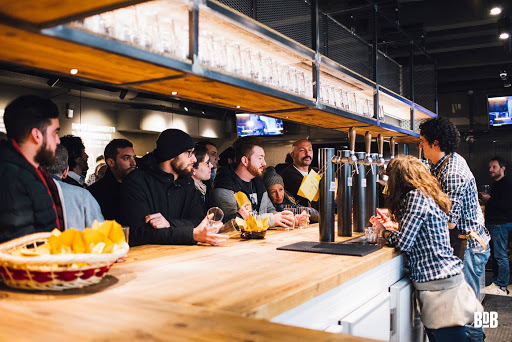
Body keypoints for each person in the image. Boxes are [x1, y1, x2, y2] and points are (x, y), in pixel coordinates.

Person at [372, 156, 482, 342]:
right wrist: (395, 227)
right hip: (446, 281)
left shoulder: (414, 197)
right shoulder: (425, 194)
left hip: (440, 289)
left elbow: (404, 242)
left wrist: (383, 232)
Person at [418, 117, 490, 300]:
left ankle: (474, 331)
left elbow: (449, 222)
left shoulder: (452, 173)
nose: (420, 146)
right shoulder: (442, 164)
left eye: (422, 141)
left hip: (468, 247)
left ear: (435, 143)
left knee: (467, 308)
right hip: (462, 242)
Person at [119, 129, 225, 246]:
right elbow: (139, 232)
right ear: (172, 154)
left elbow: (199, 220)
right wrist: (191, 234)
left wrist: (170, 223)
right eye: (189, 153)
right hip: (146, 258)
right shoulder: (136, 182)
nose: (194, 159)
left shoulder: (186, 182)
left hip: (183, 255)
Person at [0, 95, 63, 242]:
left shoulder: (27, 171)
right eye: (54, 133)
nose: (58, 141)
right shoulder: (11, 176)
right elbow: (20, 246)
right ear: (36, 135)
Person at [210, 136, 294, 228]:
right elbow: (234, 223)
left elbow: (270, 211)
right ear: (245, 161)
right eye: (260, 158)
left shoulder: (258, 182)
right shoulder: (224, 187)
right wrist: (271, 219)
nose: (264, 163)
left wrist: (288, 218)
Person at [47, 145, 104, 230]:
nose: (87, 156)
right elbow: (100, 235)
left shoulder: (24, 191)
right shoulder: (83, 196)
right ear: (66, 171)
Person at [479, 156, 512, 295]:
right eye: (490, 167)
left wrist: (488, 199)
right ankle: (497, 283)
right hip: (495, 224)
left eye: (494, 167)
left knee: (500, 255)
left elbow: (506, 205)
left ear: (502, 168)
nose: (490, 170)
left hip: (500, 224)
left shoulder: (506, 184)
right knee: (496, 255)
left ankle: (501, 285)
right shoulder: (496, 184)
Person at [88, 139, 136, 220]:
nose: (133, 163)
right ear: (111, 162)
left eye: (134, 158)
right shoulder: (95, 192)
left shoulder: (139, 187)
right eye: (126, 158)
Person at [280, 139, 315, 207]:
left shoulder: (315, 172)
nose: (307, 153)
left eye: (310, 150)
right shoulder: (287, 176)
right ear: (292, 155)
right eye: (302, 150)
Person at [192, 144, 212, 209]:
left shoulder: (205, 187)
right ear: (193, 168)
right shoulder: (189, 192)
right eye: (207, 163)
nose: (211, 165)